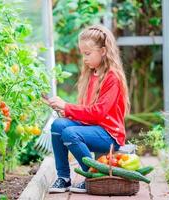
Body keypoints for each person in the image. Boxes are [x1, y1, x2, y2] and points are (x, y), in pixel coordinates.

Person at [46, 24, 130, 193]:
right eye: (82, 53)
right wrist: (67, 111)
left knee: (70, 133)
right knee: (58, 125)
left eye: (88, 53)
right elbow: (88, 111)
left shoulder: (112, 77)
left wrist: (68, 107)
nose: (84, 58)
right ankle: (64, 178)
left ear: (104, 51)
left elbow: (98, 113)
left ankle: (93, 176)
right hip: (95, 128)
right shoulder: (92, 74)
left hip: (110, 134)